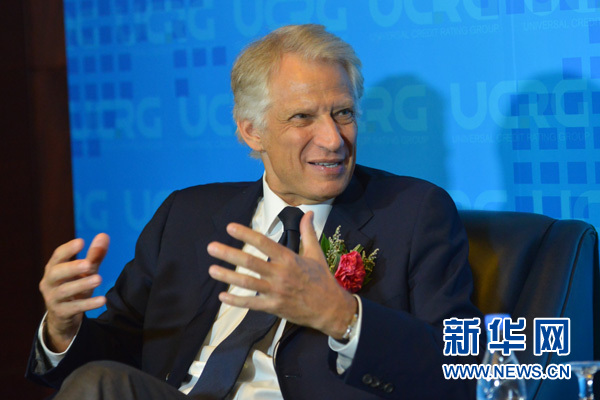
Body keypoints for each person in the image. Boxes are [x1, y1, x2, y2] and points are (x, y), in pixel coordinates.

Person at [27, 24, 481, 399]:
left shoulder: (413, 212)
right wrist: (63, 330)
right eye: (303, 118)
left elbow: (461, 368)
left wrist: (343, 315)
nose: (333, 139)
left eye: (343, 113)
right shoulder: (185, 215)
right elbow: (119, 359)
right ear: (252, 131)